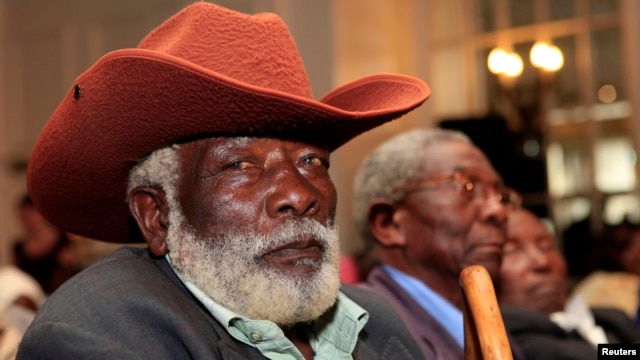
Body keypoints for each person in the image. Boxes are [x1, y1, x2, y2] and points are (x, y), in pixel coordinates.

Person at [17, 2, 431, 359]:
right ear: (158, 215)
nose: (299, 194)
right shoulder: (100, 336)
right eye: (239, 165)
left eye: (312, 161)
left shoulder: (379, 322)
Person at [353, 127, 523, 358]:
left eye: (501, 196)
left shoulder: (487, 315)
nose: (499, 211)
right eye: (468, 186)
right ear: (389, 224)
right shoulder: (366, 334)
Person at [498, 207, 640, 360]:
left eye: (546, 246)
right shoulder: (509, 342)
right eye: (510, 250)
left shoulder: (610, 320)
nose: (542, 261)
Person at [12, 194, 78, 294]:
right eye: (24, 217)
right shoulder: (19, 247)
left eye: (30, 215)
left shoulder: (63, 241)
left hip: (57, 297)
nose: (27, 221)